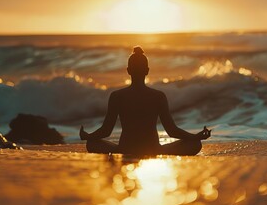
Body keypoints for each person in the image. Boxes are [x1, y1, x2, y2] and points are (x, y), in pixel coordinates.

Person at [80, 46, 211, 155]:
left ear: (128, 71)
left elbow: (106, 131)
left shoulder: (117, 96)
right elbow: (172, 131)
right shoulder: (158, 96)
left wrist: (88, 136)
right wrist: (195, 137)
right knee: (194, 144)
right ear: (147, 71)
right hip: (154, 149)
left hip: (125, 148)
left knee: (92, 143)